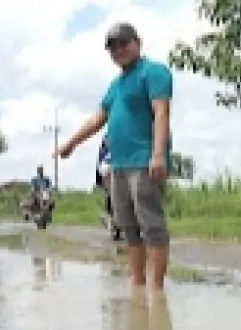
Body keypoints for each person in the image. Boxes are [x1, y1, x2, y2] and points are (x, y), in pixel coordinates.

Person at [55, 22, 172, 289]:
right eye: (112, 47)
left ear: (137, 42)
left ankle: (156, 288)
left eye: (123, 43)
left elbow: (161, 112)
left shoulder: (153, 72)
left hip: (144, 161)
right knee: (128, 226)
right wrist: (71, 143)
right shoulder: (116, 84)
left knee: (151, 224)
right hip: (118, 164)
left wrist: (158, 154)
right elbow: (98, 118)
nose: (119, 49)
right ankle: (137, 281)